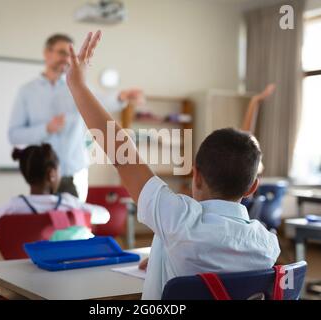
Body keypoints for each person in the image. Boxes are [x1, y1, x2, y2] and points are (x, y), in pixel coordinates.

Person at [64, 30, 281, 299]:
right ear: (252, 187)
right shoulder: (267, 244)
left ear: (196, 175)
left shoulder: (178, 220)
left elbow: (123, 156)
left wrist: (77, 85)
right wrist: (160, 260)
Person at [8, 34, 144, 201]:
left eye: (70, 54)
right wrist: (45, 129)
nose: (67, 58)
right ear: (46, 53)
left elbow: (101, 101)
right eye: (62, 52)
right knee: (45, 224)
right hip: (40, 177)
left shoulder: (76, 85)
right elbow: (14, 134)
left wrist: (121, 96)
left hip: (74, 172)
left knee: (77, 225)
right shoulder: (27, 91)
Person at [0, 144, 109, 233]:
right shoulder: (69, 203)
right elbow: (104, 215)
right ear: (52, 174)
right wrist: (75, 213)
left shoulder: (15, 206)